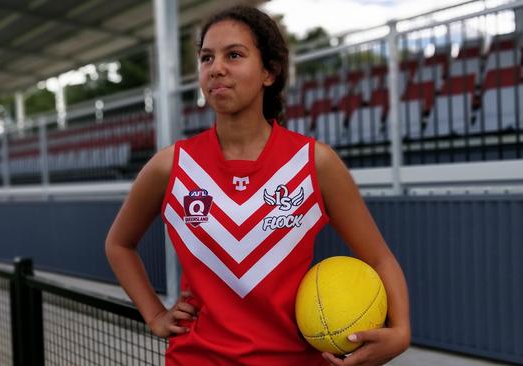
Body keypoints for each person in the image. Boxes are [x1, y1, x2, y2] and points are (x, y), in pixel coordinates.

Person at [105, 5, 411, 365]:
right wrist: (155, 314)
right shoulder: (171, 166)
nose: (216, 67)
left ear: (269, 71)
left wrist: (401, 332)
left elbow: (379, 258)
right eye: (207, 58)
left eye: (234, 55)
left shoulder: (315, 163)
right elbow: (119, 244)